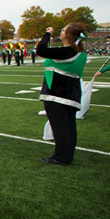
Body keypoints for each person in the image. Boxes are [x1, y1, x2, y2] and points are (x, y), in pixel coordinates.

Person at [36, 24, 87, 166]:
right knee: (69, 126)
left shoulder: (66, 51)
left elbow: (41, 50)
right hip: (72, 94)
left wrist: (48, 34)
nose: (61, 31)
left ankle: (61, 157)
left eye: (63, 30)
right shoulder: (81, 53)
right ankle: (67, 154)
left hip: (57, 94)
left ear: (69, 35)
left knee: (60, 127)